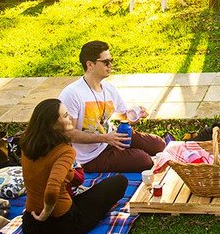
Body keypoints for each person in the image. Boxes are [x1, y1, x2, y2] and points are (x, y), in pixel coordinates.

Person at [20, 98, 127, 234]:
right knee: (119, 182)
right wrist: (46, 213)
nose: (70, 117)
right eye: (65, 116)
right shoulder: (64, 151)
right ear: (52, 125)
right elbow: (52, 189)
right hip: (63, 225)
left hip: (31, 226)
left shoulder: (27, 143)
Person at [59, 40, 168, 173]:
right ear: (90, 65)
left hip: (111, 137)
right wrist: (105, 138)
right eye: (106, 62)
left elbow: (123, 116)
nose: (110, 65)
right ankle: (128, 154)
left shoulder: (108, 89)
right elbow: (68, 134)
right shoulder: (72, 94)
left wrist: (136, 115)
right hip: (91, 157)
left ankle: (126, 153)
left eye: (111, 60)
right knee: (144, 160)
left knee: (158, 145)